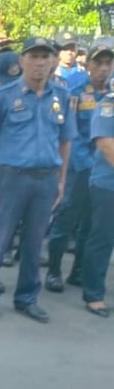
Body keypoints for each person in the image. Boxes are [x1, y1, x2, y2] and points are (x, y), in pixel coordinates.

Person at [0, 37, 76, 323]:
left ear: (54, 61)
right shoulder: (3, 96)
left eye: (46, 57)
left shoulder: (62, 97)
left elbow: (65, 141)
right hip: (10, 177)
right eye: (34, 56)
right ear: (21, 62)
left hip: (46, 178)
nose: (40, 62)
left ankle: (27, 298)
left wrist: (61, 181)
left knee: (33, 243)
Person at [45, 40, 113, 292]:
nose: (104, 68)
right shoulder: (74, 92)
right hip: (79, 166)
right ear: (89, 65)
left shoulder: (111, 96)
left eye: (109, 63)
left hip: (103, 171)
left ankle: (79, 271)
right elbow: (69, 134)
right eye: (99, 63)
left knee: (91, 224)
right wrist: (84, 163)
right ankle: (53, 270)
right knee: (66, 220)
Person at [78, 46, 114, 317]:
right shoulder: (108, 105)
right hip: (107, 184)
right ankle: (93, 294)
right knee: (102, 239)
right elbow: (105, 145)